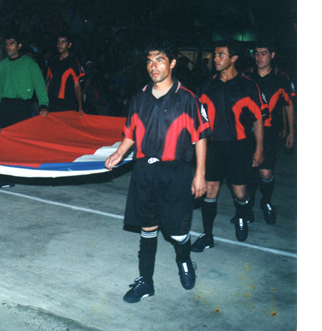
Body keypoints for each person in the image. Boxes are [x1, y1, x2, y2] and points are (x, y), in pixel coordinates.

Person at [105, 41, 210, 303]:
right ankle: (146, 282)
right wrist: (119, 152)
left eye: (160, 60)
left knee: (177, 232)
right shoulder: (139, 97)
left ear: (172, 63)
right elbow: (131, 132)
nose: (154, 66)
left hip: (176, 172)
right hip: (144, 171)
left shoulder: (187, 98)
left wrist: (200, 174)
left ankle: (184, 259)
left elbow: (200, 137)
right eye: (150, 61)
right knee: (147, 228)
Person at [192, 40, 268, 250]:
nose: (215, 59)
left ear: (234, 58)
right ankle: (207, 235)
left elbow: (258, 119)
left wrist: (259, 148)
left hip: (239, 147)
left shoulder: (247, 85)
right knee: (210, 191)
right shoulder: (208, 84)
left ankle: (242, 216)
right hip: (213, 147)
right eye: (215, 55)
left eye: (221, 55)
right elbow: (198, 118)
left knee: (240, 193)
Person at [244, 40, 296, 224]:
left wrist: (291, 130)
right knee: (248, 172)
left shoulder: (282, 77)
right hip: (247, 132)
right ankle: (246, 208)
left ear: (272, 55)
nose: (259, 57)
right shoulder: (246, 76)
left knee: (265, 173)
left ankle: (266, 202)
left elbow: (289, 104)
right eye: (256, 53)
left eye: (263, 53)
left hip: (270, 131)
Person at [0, 33, 49, 128]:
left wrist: (43, 105)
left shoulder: (29, 63)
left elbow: (40, 85)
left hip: (22, 106)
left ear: (19, 46)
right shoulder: (3, 64)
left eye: (12, 43)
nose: (8, 46)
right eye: (7, 44)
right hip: (5, 106)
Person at [46, 34, 85, 116]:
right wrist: (44, 104)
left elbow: (77, 86)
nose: (60, 44)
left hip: (66, 103)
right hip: (52, 102)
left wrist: (80, 107)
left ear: (69, 45)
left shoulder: (73, 62)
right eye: (58, 42)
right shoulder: (52, 61)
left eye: (63, 42)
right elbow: (48, 83)